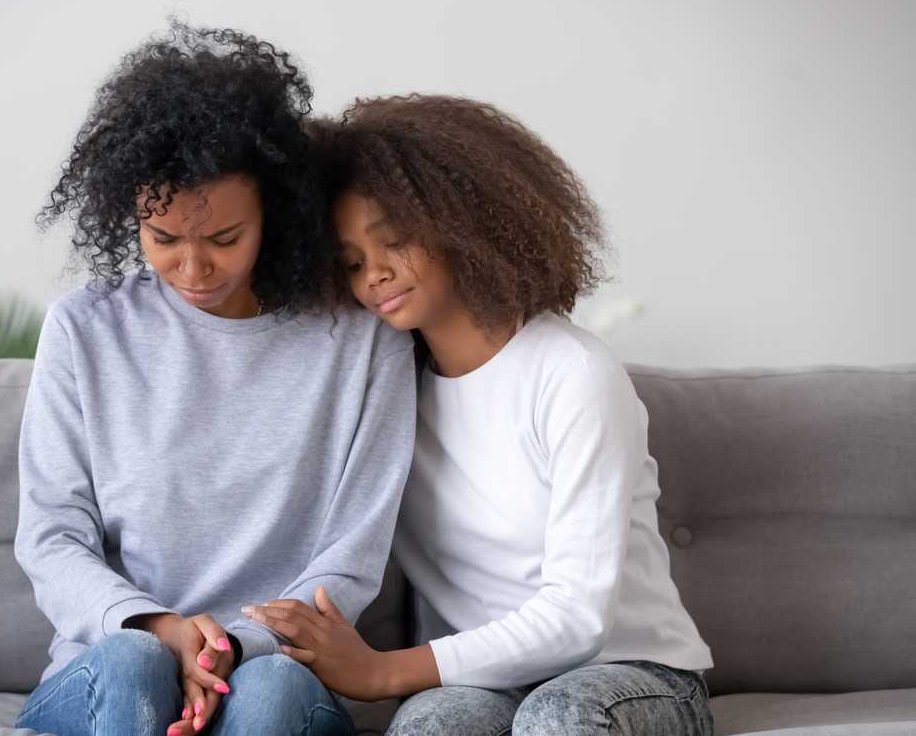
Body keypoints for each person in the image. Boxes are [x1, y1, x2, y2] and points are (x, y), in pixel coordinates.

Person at [244, 95, 715, 735]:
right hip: (484, 682)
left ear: (464, 222)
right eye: (351, 263)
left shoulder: (571, 374)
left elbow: (578, 615)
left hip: (632, 675)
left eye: (395, 242)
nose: (374, 275)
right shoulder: (387, 392)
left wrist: (383, 672)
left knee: (559, 718)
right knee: (429, 728)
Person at [13, 24, 415, 736]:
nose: (194, 271)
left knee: (269, 692)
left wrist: (235, 647)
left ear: (275, 213)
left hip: (276, 669)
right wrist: (160, 628)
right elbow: (51, 537)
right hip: (114, 670)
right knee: (132, 663)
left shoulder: (359, 340)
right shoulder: (85, 329)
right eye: (163, 239)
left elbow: (351, 556)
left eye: (224, 240)